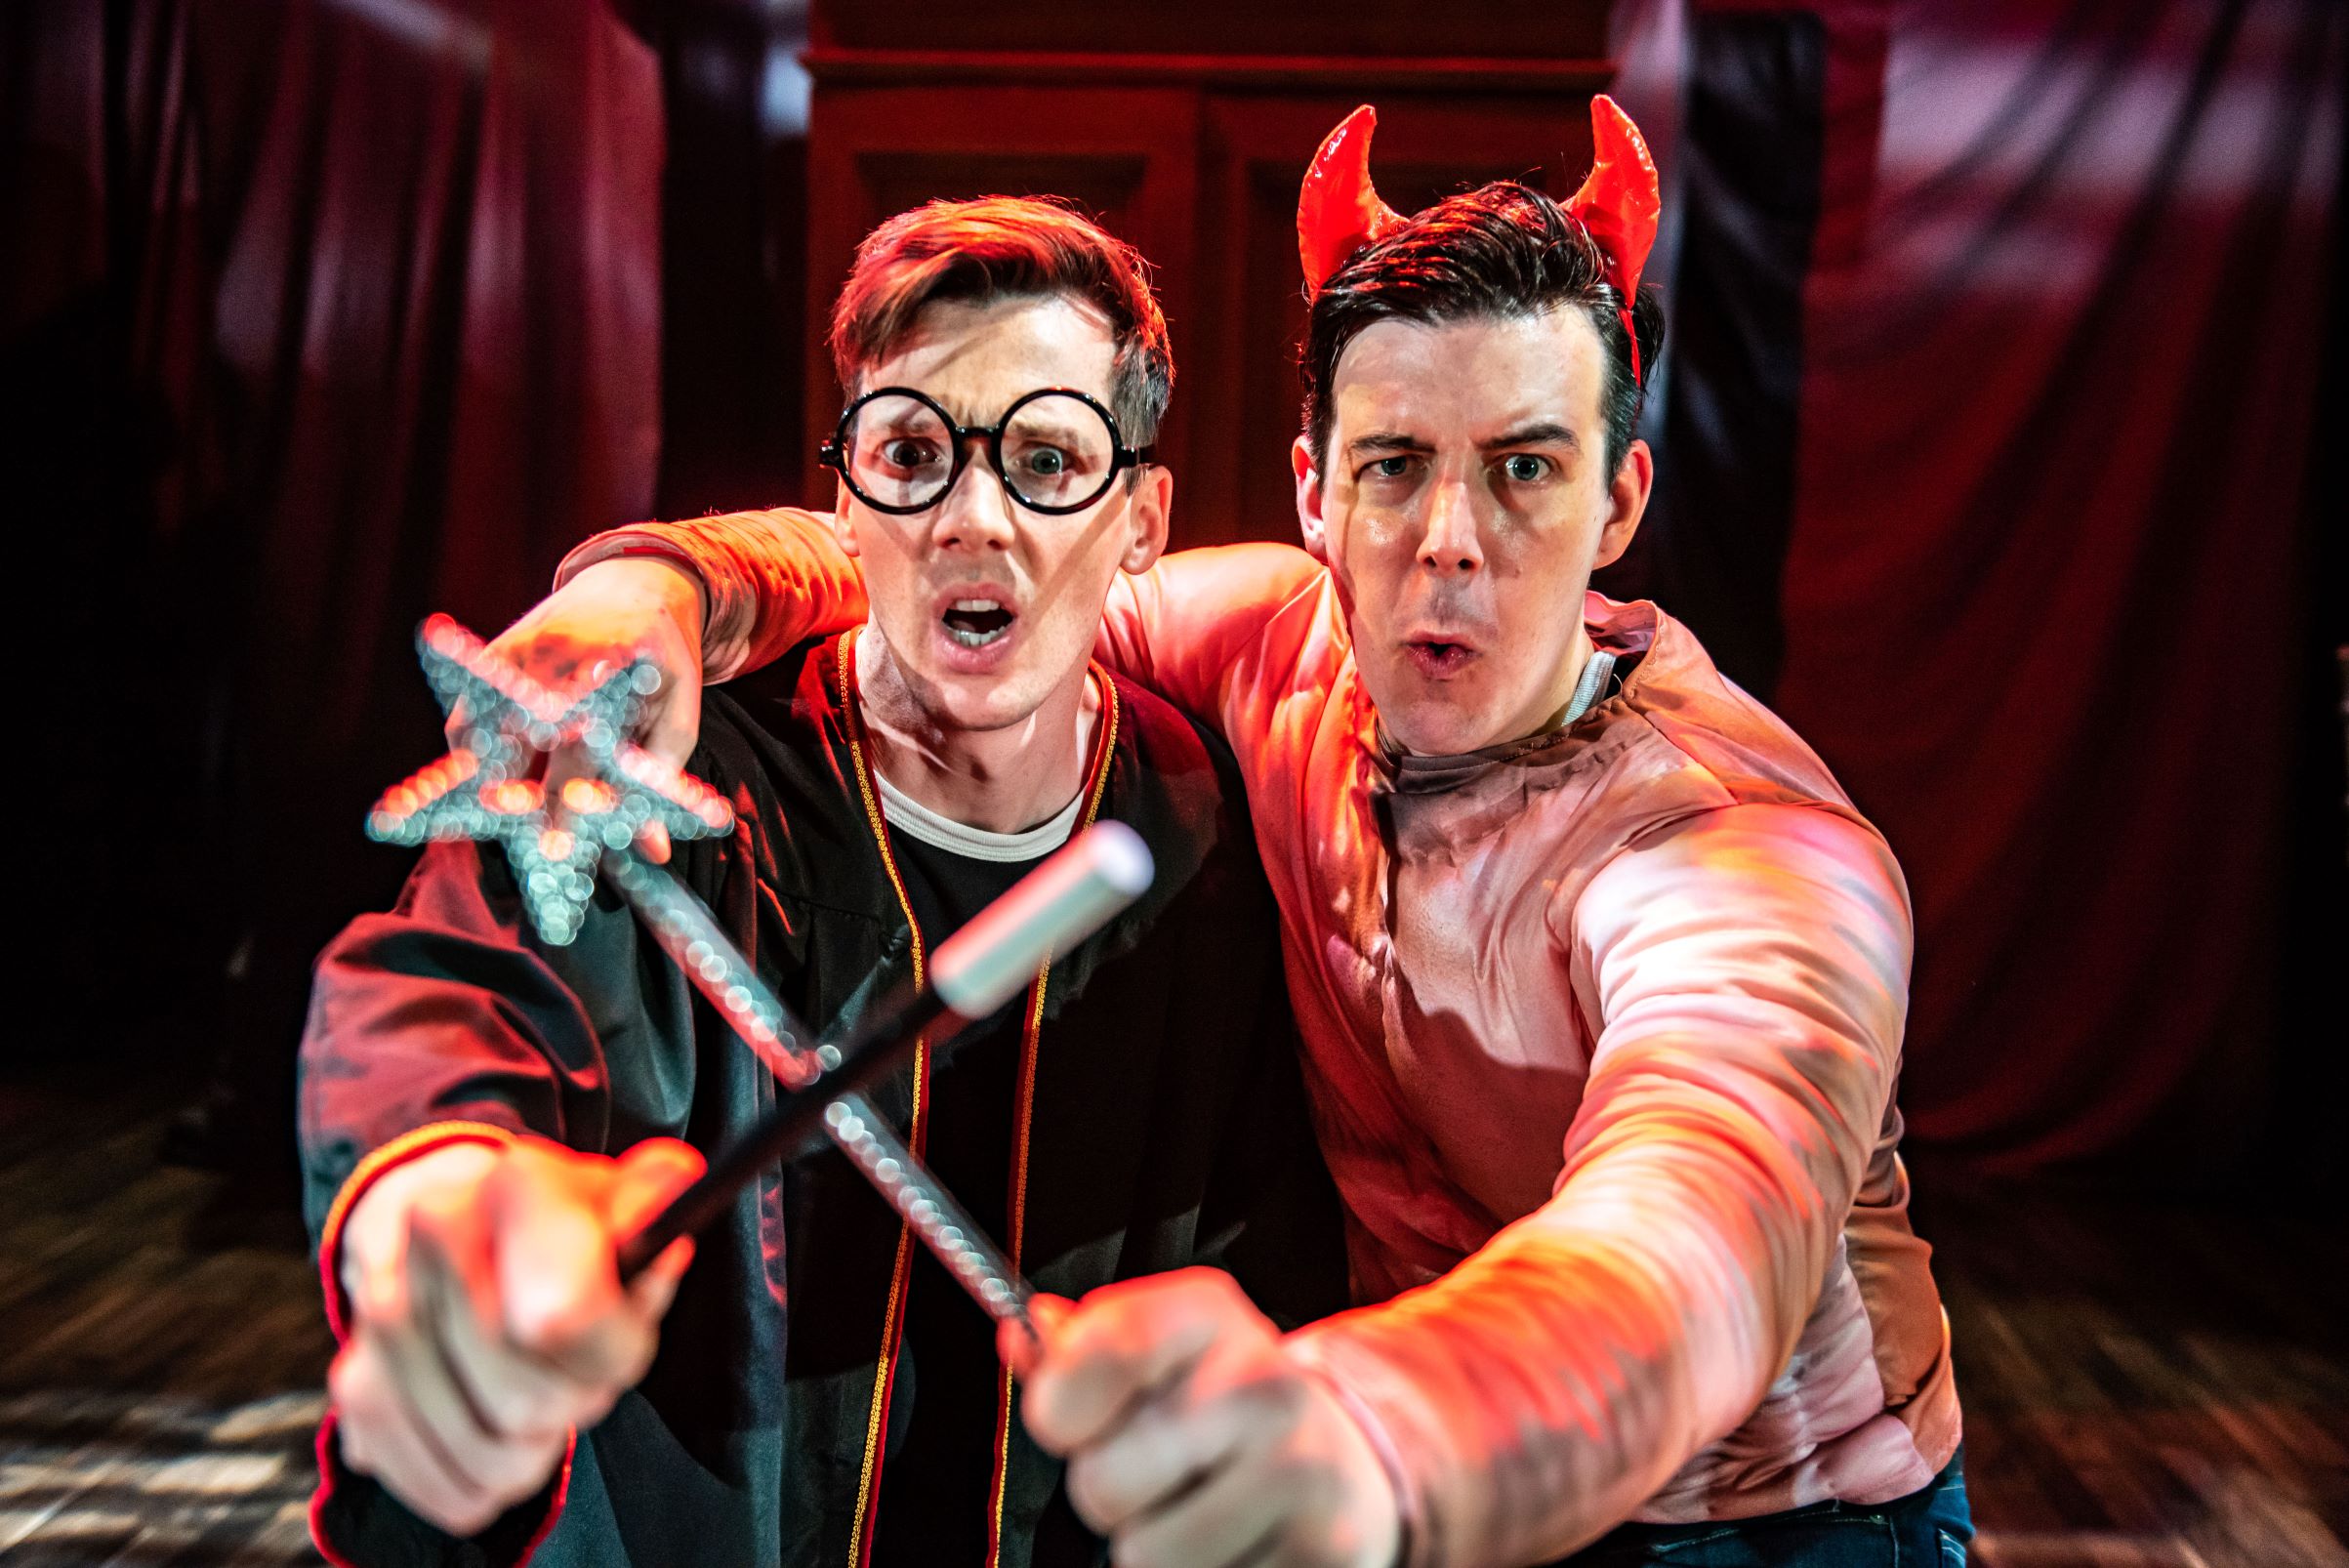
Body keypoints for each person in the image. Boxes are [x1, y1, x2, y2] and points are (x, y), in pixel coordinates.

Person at [502, 100, 1969, 1568]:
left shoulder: (1744, 852)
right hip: (1365, 1471)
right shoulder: (1276, 638)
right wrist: (662, 588)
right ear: (1314, 493)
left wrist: (1385, 1427)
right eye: (1394, 465)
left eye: (1524, 469)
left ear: (1619, 501)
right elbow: (973, 563)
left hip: (1762, 1520)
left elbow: (1698, 1238)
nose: (1448, 541)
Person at [298, 194, 1345, 1568]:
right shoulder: (683, 786)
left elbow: (1266, 1259)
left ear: (1140, 517)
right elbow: (453, 993)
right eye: (913, 454)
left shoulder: (1203, 828)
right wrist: (436, 1202)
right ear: (843, 500)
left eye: (1046, 459)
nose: (974, 517)